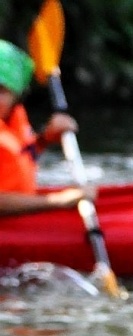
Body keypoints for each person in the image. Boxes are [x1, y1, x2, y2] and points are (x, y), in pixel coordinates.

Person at [0, 40, 88, 217]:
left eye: (0, 90)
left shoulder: (12, 120)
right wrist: (58, 201)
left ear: (16, 96)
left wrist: (45, 138)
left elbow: (17, 159)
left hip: (19, 219)